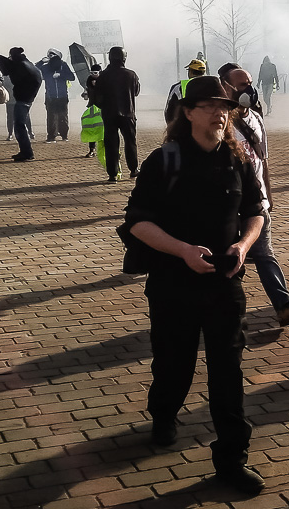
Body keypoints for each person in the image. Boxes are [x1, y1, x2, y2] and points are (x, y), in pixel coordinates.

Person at [123, 75, 267, 495]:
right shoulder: (164, 160)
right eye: (210, 106)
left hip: (225, 283)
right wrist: (184, 251)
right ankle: (164, 413)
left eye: (226, 107)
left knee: (228, 370)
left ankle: (232, 459)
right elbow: (137, 223)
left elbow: (256, 212)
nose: (220, 114)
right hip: (173, 284)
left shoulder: (237, 158)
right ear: (188, 113)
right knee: (174, 364)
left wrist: (242, 246)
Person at [222, 67, 289, 327]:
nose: (248, 89)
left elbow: (263, 160)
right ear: (225, 87)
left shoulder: (256, 118)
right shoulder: (221, 121)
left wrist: (268, 195)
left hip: (255, 205)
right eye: (241, 85)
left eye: (249, 83)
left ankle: (284, 305)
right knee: (230, 260)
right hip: (227, 205)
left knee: (264, 253)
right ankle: (230, 315)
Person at [91, 46, 140, 180]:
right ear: (124, 58)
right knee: (130, 142)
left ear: (110, 58)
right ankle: (133, 169)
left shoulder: (103, 76)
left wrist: (104, 106)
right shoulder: (131, 75)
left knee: (111, 144)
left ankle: (112, 174)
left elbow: (97, 98)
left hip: (109, 114)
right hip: (128, 113)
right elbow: (136, 92)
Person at [4, 48, 43, 162]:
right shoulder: (28, 64)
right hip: (27, 99)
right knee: (20, 125)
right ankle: (25, 151)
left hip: (22, 100)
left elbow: (16, 80)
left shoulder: (21, 66)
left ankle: (27, 153)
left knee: (19, 126)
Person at [37, 48, 76, 142]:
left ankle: (64, 135)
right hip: (50, 96)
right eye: (49, 55)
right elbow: (34, 71)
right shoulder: (45, 67)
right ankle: (51, 136)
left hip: (62, 95)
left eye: (53, 55)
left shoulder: (63, 65)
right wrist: (41, 62)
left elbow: (72, 77)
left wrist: (60, 75)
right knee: (51, 117)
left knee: (63, 116)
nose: (51, 57)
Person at [165, 59, 207, 123]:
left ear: (190, 71)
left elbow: (169, 110)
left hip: (185, 125)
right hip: (205, 125)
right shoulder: (213, 86)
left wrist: (172, 127)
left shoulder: (179, 87)